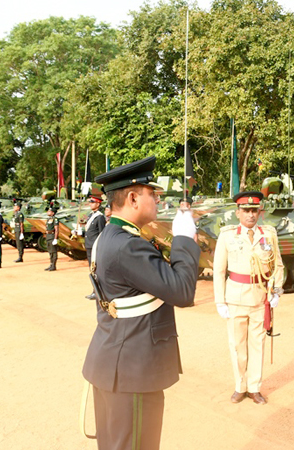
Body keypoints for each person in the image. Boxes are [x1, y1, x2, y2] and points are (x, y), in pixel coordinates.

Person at [81, 156, 199, 450]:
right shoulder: (128, 244)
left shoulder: (113, 236)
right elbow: (182, 290)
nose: (158, 199)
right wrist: (185, 238)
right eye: (152, 193)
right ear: (133, 198)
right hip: (132, 371)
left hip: (116, 363)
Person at [213, 191, 284, 405]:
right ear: (238, 213)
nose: (250, 215)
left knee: (257, 344)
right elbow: (218, 270)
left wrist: (277, 291)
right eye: (246, 211)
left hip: (260, 296)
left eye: (254, 210)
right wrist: (220, 300)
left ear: (259, 212)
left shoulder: (268, 234)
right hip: (235, 297)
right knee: (237, 345)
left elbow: (277, 264)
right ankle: (240, 386)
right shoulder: (227, 235)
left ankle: (254, 387)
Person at [84, 195, 107, 299]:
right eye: (90, 202)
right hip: (89, 245)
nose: (90, 204)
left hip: (94, 246)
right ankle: (95, 290)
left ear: (98, 204)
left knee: (96, 269)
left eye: (92, 202)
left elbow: (102, 233)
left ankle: (97, 291)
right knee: (92, 269)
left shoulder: (100, 217)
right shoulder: (91, 216)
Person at [44, 203, 59, 271]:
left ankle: (54, 265)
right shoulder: (48, 219)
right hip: (48, 236)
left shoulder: (55, 219)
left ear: (53, 213)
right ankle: (51, 264)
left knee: (53, 251)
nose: (48, 212)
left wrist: (55, 238)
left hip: (52, 236)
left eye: (49, 211)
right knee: (50, 251)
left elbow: (56, 229)